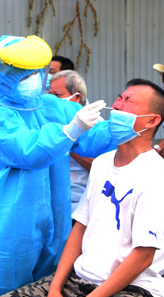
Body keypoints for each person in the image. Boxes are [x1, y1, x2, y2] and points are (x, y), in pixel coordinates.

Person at [0, 79, 164, 297]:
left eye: (128, 101)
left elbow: (143, 256)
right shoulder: (104, 163)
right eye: (118, 97)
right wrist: (56, 288)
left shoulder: (154, 174)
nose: (117, 105)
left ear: (151, 120)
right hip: (83, 280)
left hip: (135, 291)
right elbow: (79, 231)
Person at [0, 35, 106, 297]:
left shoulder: (52, 106)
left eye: (36, 71)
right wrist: (69, 130)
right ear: (0, 71)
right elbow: (28, 152)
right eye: (22, 71)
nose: (31, 79)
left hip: (55, 221)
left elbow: (93, 138)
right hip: (11, 227)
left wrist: (128, 126)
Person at [49, 70, 117, 214]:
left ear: (76, 97)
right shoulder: (50, 123)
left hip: (80, 201)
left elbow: (105, 167)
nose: (51, 100)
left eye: (57, 95)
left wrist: (68, 141)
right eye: (49, 95)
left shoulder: (94, 124)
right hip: (52, 200)